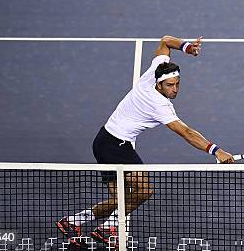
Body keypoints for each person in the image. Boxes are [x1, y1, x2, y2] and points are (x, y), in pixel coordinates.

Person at [55, 35, 234, 247]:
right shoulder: (159, 105)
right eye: (169, 85)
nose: (174, 89)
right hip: (116, 146)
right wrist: (216, 151)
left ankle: (73, 222)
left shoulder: (155, 69)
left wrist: (187, 48)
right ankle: (106, 228)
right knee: (144, 191)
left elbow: (166, 41)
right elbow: (186, 132)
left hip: (103, 140)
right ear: (159, 85)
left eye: (177, 84)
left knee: (121, 200)